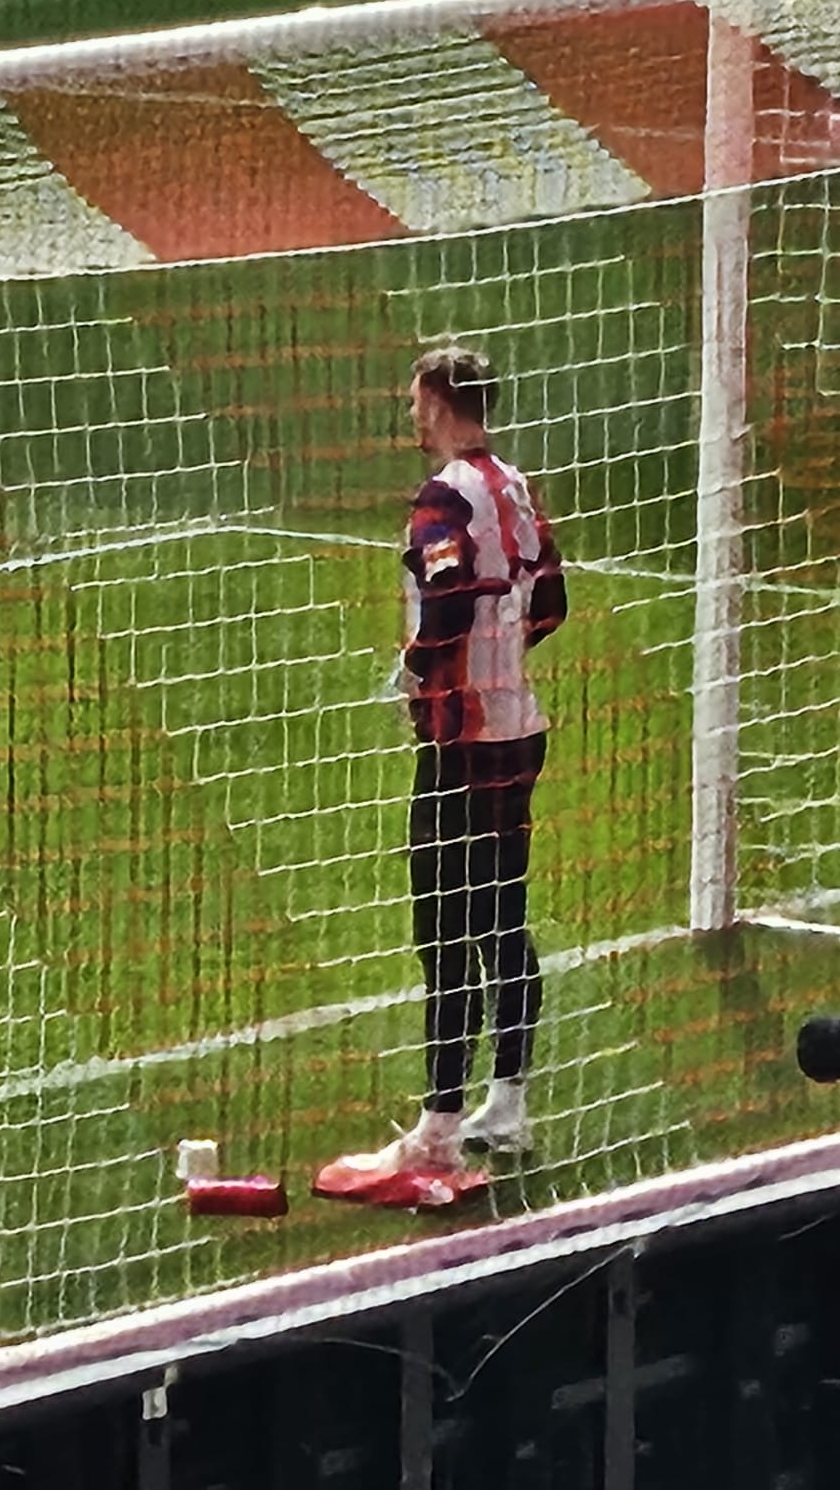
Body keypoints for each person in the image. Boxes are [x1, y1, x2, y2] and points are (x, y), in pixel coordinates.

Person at [332, 346, 567, 1179]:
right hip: (519, 730)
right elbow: (552, 603)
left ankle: (438, 1122)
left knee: (443, 926)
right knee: (503, 912)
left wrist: (418, 670)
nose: (410, 413)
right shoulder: (516, 487)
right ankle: (509, 1102)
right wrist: (502, 660)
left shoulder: (444, 498)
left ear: (436, 402)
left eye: (415, 399)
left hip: (461, 741)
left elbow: (447, 600)